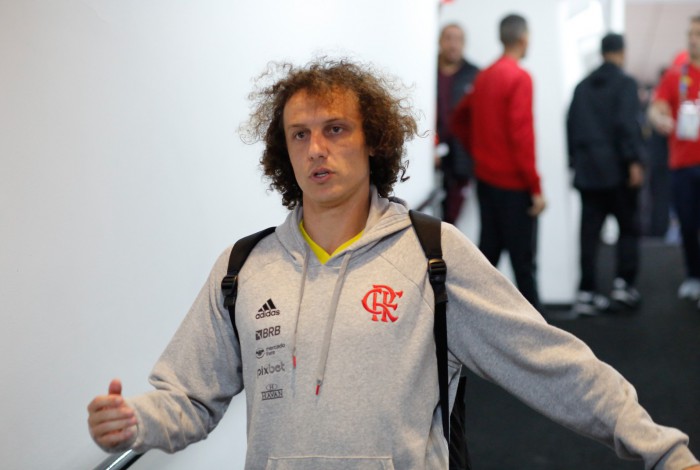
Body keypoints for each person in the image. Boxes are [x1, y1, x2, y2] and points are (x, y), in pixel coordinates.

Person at [87, 58, 700, 469]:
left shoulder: (433, 255)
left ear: (373, 141)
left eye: (335, 129)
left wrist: (660, 449)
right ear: (283, 151)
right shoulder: (244, 267)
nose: (316, 149)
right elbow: (190, 397)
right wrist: (136, 420)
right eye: (299, 134)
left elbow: (551, 362)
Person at [451, 14, 545, 311]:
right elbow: (521, 136)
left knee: (489, 256)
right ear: (523, 39)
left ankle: (473, 322)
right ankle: (538, 332)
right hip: (514, 184)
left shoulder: (484, 76)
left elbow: (458, 119)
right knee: (523, 262)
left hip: (486, 179)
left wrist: (478, 150)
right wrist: (535, 186)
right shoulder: (519, 77)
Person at [566, 33, 645, 315]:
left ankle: (587, 292)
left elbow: (571, 127)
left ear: (602, 53)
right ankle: (622, 285)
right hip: (618, 173)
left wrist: (575, 163)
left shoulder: (581, 87)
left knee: (589, 235)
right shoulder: (625, 84)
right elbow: (627, 124)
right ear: (621, 53)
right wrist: (634, 161)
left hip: (589, 174)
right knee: (627, 228)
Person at [648, 15, 700, 307]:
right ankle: (693, 275)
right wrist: (660, 118)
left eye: (698, 34)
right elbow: (656, 107)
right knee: (688, 223)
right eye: (690, 33)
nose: (692, 39)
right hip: (682, 163)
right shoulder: (676, 75)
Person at [436, 23, 479, 225]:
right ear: (440, 41)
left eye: (458, 39)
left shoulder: (474, 74)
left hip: (461, 159)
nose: (453, 44)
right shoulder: (426, 70)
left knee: (450, 221)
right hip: (431, 156)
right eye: (448, 38)